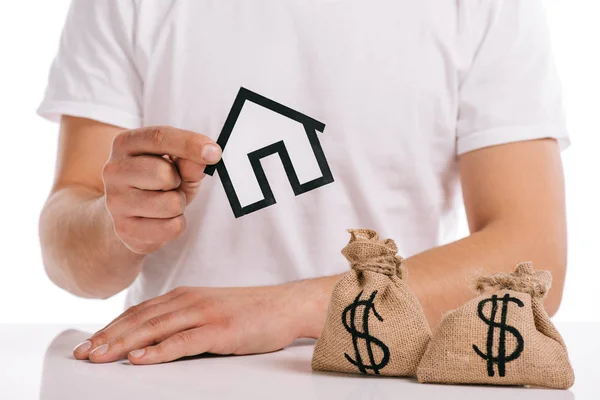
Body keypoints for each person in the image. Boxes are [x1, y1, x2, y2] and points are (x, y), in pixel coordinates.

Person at [38, 0, 569, 365]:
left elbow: (533, 260)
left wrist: (288, 309)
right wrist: (118, 224)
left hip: (389, 373)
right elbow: (70, 253)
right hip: (171, 374)